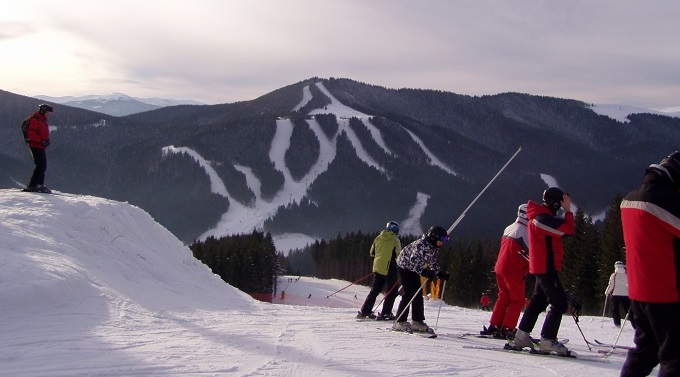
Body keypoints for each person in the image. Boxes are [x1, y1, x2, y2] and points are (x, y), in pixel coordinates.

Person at [619, 152, 680, 377]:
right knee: (674, 357)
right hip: (666, 293)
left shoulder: (631, 198)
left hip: (639, 292)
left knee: (646, 351)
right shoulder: (663, 200)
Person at [510, 187, 575, 355]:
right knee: (559, 303)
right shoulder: (541, 219)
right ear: (555, 203)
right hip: (546, 267)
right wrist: (568, 212)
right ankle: (547, 340)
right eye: (561, 203)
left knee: (538, 302)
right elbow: (567, 230)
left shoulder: (540, 216)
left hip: (542, 266)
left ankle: (521, 336)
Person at [481, 204, 530, 339]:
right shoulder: (525, 231)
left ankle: (494, 325)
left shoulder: (509, 228)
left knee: (503, 297)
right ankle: (507, 328)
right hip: (514, 270)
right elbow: (532, 254)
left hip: (500, 267)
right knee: (517, 300)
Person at [392, 225, 449, 333]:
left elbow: (432, 261)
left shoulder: (433, 247)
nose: (443, 243)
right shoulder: (421, 245)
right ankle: (399, 321)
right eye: (442, 240)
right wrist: (424, 272)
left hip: (414, 268)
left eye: (446, 240)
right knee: (410, 293)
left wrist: (439, 272)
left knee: (417, 294)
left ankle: (417, 321)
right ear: (434, 238)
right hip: (405, 266)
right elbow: (413, 261)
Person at [356, 221, 402, 321]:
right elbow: (399, 256)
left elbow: (372, 253)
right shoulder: (395, 240)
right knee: (392, 291)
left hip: (377, 268)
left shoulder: (378, 237)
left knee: (375, 291)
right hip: (390, 269)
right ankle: (386, 313)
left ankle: (365, 311)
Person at [22, 104, 53, 193]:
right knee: (41, 165)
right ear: (43, 111)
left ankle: (39, 184)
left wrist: (46, 140)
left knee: (42, 165)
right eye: (47, 112)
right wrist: (41, 141)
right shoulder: (35, 120)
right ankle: (33, 185)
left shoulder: (41, 120)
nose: (48, 114)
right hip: (36, 146)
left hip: (39, 145)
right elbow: (32, 135)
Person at [604, 261, 633, 328]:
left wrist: (607, 292)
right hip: (626, 294)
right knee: (628, 309)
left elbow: (611, 285)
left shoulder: (613, 275)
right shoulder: (627, 274)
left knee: (615, 309)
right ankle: (634, 324)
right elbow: (630, 284)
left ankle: (617, 324)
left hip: (615, 294)